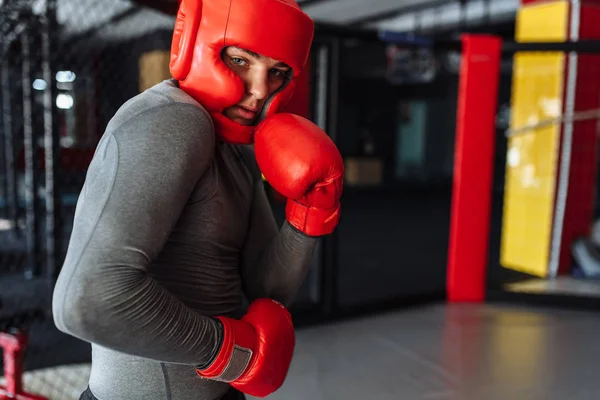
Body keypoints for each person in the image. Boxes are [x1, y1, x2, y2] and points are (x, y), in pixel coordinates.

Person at [51, 1, 344, 400]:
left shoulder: (237, 142)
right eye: (241, 60)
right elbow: (86, 300)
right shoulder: (174, 120)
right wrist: (231, 353)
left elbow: (266, 286)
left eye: (277, 72)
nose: (260, 91)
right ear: (190, 45)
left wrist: (308, 216)